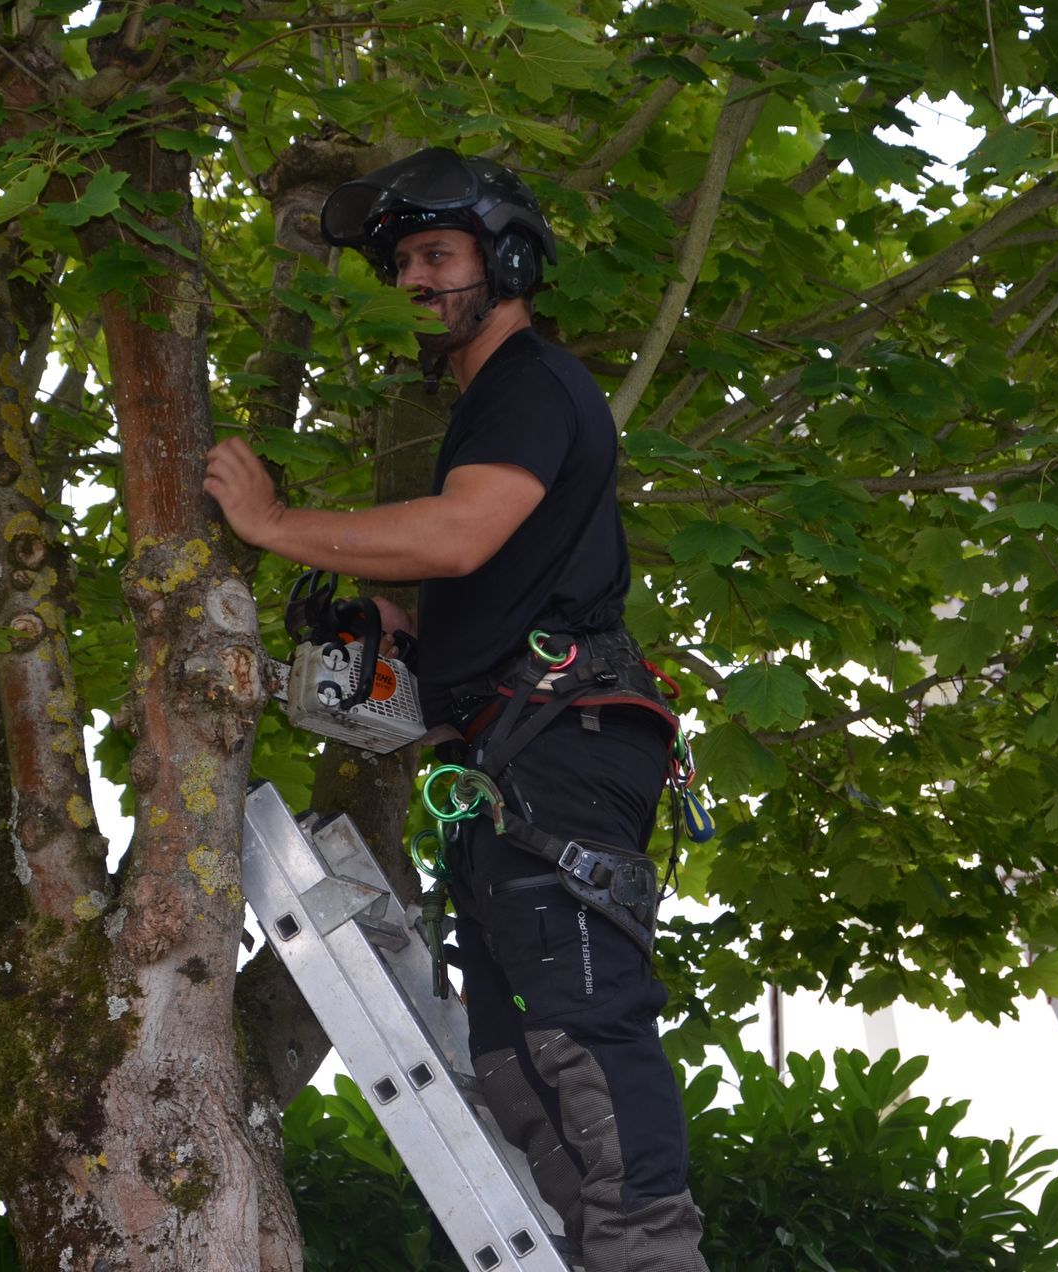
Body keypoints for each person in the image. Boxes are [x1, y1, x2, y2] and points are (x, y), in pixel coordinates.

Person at [203, 148, 709, 1271]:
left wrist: (278, 523)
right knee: (515, 1059)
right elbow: (499, 568)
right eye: (404, 267)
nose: (416, 283)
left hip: (558, 754)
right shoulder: (494, 405)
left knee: (581, 1036)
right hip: (512, 761)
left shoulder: (528, 382)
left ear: (508, 256)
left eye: (438, 255)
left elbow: (460, 532)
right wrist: (413, 633)